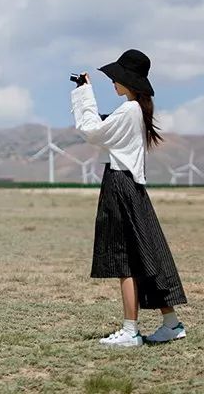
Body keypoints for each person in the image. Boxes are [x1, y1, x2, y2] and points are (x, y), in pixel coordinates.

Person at [71, 49, 187, 348]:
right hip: (132, 186)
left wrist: (84, 94)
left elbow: (92, 131)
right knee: (144, 254)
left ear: (128, 81)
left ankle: (130, 330)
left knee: (125, 259)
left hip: (120, 183)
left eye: (117, 77)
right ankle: (171, 323)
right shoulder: (137, 110)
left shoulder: (129, 111)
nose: (113, 81)